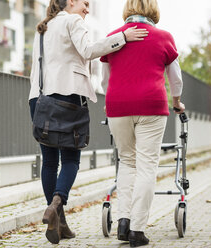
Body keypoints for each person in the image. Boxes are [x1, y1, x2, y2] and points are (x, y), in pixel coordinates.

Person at [28, 0, 148, 244]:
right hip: (67, 97)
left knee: (49, 161)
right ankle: (57, 204)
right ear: (70, 1)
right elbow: (89, 50)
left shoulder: (44, 27)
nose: (87, 9)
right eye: (84, 3)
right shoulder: (72, 20)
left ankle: (58, 220)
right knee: (71, 159)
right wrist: (122, 37)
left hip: (38, 99)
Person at [100, 0, 185, 247]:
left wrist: (110, 101)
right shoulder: (164, 37)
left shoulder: (114, 37)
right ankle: (137, 229)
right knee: (147, 165)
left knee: (127, 161)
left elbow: (104, 80)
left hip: (118, 106)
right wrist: (177, 101)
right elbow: (176, 79)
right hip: (151, 105)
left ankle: (123, 222)